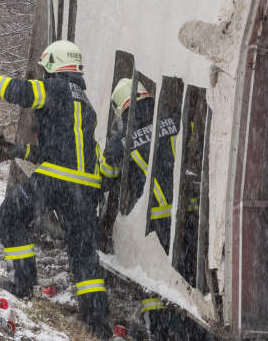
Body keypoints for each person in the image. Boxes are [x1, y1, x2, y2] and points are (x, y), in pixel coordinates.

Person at [0, 41, 113, 339]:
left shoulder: (56, 88)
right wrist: (16, 150)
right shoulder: (84, 101)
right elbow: (57, 150)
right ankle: (97, 324)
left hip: (55, 181)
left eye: (46, 68)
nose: (43, 74)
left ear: (55, 65)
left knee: (11, 213)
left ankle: (22, 283)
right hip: (85, 189)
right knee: (83, 254)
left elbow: (23, 93)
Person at [99, 78, 178, 340]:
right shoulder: (172, 119)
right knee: (181, 278)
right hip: (185, 213)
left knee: (153, 277)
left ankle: (158, 331)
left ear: (121, 107)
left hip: (154, 218)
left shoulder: (121, 140)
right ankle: (184, 330)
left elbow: (107, 176)